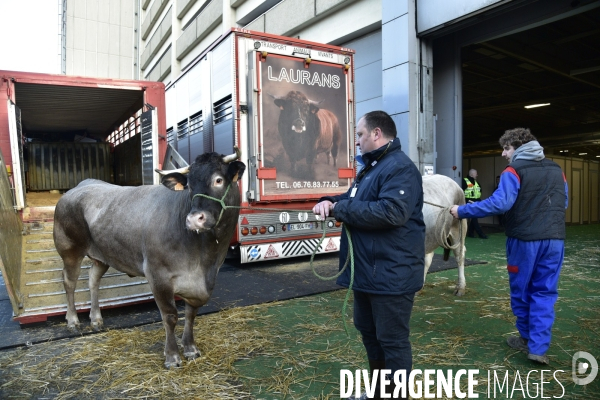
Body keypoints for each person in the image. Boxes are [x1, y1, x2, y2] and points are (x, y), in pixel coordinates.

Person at [313, 110, 425, 399]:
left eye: (360, 134)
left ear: (377, 133)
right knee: (370, 332)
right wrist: (329, 201)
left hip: (391, 273)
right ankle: (379, 392)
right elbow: (353, 198)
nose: (357, 141)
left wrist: (340, 210)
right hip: (369, 271)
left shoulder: (399, 168)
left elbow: (392, 212)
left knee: (393, 341)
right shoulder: (372, 168)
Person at [450, 128, 568, 365]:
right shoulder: (557, 170)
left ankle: (525, 339)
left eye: (506, 148)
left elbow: (500, 204)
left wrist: (461, 210)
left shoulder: (513, 170)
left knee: (522, 291)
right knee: (545, 293)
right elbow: (562, 202)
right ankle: (538, 347)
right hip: (555, 239)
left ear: (519, 147)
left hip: (524, 241)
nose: (503, 154)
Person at [462, 169, 488, 239]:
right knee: (474, 218)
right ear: (471, 174)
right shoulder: (464, 181)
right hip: (469, 202)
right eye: (476, 174)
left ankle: (470, 232)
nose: (477, 175)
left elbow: (479, 192)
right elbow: (461, 192)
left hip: (476, 202)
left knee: (474, 217)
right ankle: (480, 233)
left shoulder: (476, 183)